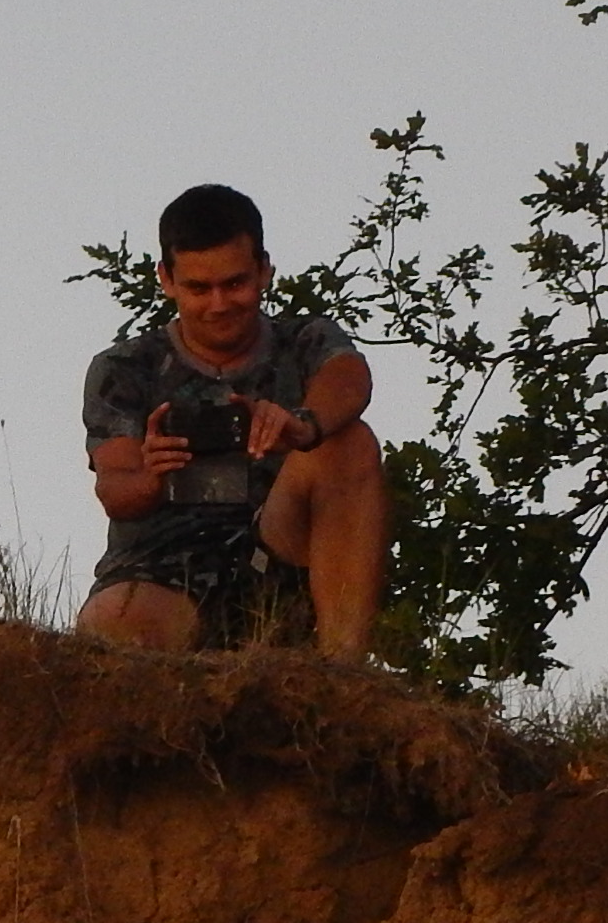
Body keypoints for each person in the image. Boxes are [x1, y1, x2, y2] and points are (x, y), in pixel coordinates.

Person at [76, 184, 389, 659]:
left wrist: (302, 425)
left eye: (235, 284)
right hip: (159, 569)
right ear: (166, 280)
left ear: (264, 271)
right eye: (199, 288)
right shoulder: (124, 368)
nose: (219, 304)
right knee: (115, 630)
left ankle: (342, 671)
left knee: (350, 441)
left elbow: (348, 376)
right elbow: (115, 491)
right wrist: (151, 476)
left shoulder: (305, 341)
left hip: (279, 554)